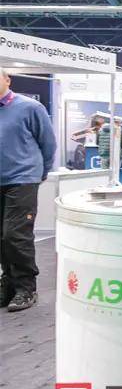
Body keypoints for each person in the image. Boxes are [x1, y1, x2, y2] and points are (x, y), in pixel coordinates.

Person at [0, 67, 56, 312]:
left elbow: (48, 143)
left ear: (7, 80)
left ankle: (26, 287)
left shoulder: (30, 108)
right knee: (2, 236)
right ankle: (9, 283)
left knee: (15, 234)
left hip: (22, 179)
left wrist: (40, 172)